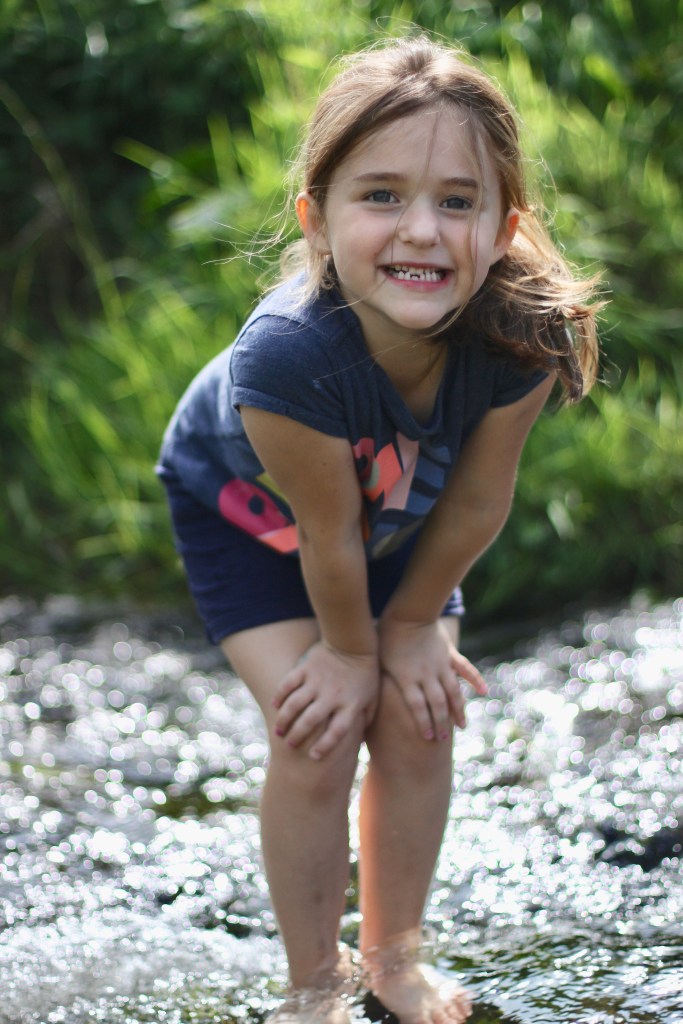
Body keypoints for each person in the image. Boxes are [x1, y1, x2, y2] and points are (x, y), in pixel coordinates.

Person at [157, 35, 601, 1024]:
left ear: (503, 224)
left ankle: (394, 956)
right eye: (381, 196)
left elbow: (476, 502)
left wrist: (407, 630)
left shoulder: (522, 332)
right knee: (318, 731)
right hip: (252, 519)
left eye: (457, 201)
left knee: (419, 712)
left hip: (405, 519)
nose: (421, 231)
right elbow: (326, 534)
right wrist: (351, 652)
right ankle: (313, 984)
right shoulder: (284, 358)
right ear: (317, 219)